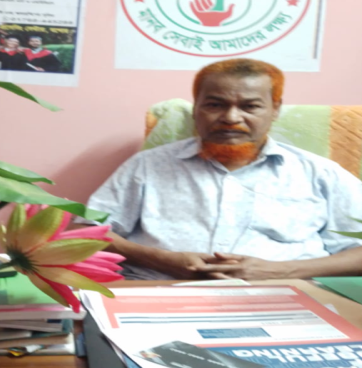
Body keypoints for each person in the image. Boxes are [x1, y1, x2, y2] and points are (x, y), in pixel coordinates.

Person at [74, 58, 362, 281]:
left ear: (275, 109)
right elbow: (86, 232)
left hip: (287, 299)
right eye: (215, 105)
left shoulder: (320, 173)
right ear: (195, 108)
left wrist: (282, 270)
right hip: (159, 292)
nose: (231, 117)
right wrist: (160, 259)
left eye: (250, 106)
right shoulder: (147, 166)